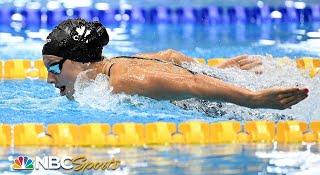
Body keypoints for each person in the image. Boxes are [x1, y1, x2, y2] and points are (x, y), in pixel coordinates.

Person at [42, 18, 308, 110]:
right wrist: (218, 71)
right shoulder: (113, 66)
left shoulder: (122, 80)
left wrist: (254, 99)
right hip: (225, 87)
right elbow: (170, 56)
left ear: (79, 60)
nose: (49, 78)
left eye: (53, 67)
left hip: (227, 106)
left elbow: (191, 83)